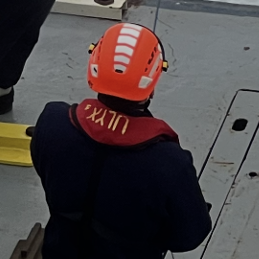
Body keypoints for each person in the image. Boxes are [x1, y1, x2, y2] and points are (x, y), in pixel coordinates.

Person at [29, 23, 212, 257]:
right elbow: (189, 237)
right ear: (153, 80)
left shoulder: (52, 122)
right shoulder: (169, 162)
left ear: (93, 65)